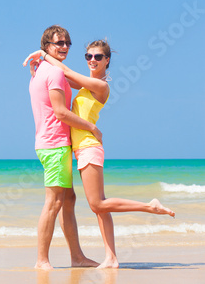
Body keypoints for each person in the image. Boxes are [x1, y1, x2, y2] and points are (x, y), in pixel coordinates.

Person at [23, 38, 175, 269]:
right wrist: (41, 66)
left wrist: (42, 54)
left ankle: (150, 206)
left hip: (88, 147)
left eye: (98, 57)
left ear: (107, 60)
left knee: (97, 204)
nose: (92, 60)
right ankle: (111, 258)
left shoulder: (101, 86)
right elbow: (60, 77)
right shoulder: (86, 85)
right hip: (80, 149)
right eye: (88, 56)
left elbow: (63, 70)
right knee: (98, 205)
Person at [25, 25, 101, 270]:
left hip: (51, 143)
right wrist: (91, 127)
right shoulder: (54, 74)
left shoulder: (42, 71)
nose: (65, 47)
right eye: (59, 43)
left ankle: (77, 257)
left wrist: (43, 57)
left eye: (67, 42)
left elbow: (77, 83)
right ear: (47, 45)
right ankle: (41, 260)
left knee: (68, 199)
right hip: (55, 144)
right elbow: (60, 112)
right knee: (54, 202)